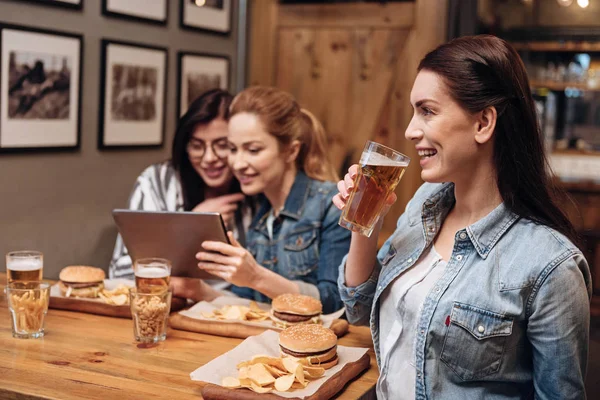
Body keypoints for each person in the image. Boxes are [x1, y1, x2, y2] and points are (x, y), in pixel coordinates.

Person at [333, 35, 591, 399]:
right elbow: (358, 308)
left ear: (484, 122)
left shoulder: (551, 266)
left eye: (427, 110)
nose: (410, 130)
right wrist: (366, 220)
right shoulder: (424, 205)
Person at [183, 86, 350, 314]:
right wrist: (198, 291)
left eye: (253, 150)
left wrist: (255, 276)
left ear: (291, 151)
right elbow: (247, 303)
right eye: (232, 149)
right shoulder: (261, 214)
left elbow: (336, 302)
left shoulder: (333, 205)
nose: (238, 163)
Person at [109, 89, 251, 281]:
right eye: (197, 145)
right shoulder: (156, 182)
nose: (209, 158)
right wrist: (192, 227)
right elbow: (121, 273)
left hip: (234, 306)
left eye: (222, 145)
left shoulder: (255, 184)